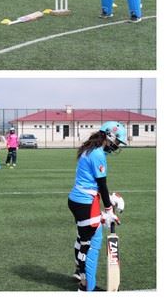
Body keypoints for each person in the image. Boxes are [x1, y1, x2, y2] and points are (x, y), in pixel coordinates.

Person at [67, 121, 126, 292]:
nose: (116, 146)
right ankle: (87, 288)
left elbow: (95, 184)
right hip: (85, 202)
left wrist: (109, 200)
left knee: (82, 239)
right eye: (117, 141)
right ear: (109, 135)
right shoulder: (98, 154)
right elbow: (101, 184)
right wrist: (108, 210)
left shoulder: (90, 149)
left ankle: (80, 273)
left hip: (79, 200)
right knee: (92, 244)